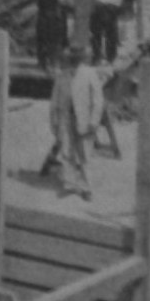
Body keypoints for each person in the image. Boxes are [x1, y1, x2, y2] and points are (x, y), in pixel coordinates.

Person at [48, 46, 103, 200]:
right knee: (66, 152)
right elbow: (54, 101)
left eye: (76, 60)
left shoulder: (90, 74)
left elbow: (98, 100)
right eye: (71, 60)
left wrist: (94, 121)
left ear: (82, 60)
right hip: (65, 118)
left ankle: (86, 187)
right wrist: (54, 122)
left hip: (84, 120)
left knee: (84, 154)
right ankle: (70, 183)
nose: (73, 63)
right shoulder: (62, 76)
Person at [90, 0, 134, 65]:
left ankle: (96, 57)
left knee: (96, 34)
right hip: (110, 10)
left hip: (98, 8)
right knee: (111, 35)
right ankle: (111, 58)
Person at [34, 0, 64, 69]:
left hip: (42, 13)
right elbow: (59, 0)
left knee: (41, 39)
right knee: (52, 39)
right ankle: (51, 61)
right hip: (52, 14)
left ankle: (41, 61)